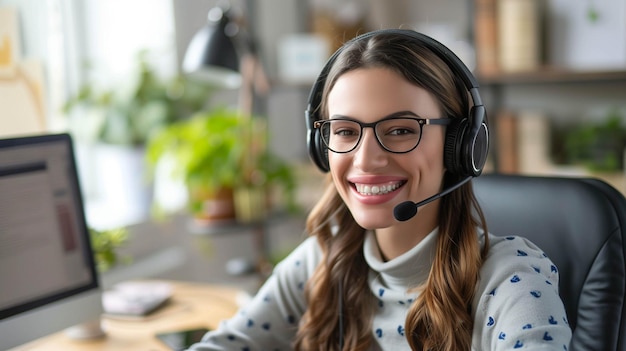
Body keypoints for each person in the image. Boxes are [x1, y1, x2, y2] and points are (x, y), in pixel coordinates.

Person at [187, 29, 572, 351]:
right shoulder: (323, 260)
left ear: (460, 145)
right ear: (322, 147)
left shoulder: (512, 278)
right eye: (345, 131)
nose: (366, 159)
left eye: (402, 130)